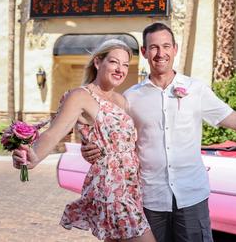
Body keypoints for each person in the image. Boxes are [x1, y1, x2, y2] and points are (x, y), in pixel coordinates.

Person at [82, 23, 236, 242]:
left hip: (191, 197)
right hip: (149, 198)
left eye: (165, 46)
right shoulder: (131, 97)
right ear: (144, 51)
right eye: (153, 47)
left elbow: (234, 119)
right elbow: (116, 139)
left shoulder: (196, 89)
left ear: (175, 49)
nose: (160, 53)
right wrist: (91, 149)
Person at [11, 39, 156, 242]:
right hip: (110, 185)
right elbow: (54, 132)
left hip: (130, 184)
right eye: (114, 62)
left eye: (125, 65)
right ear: (98, 62)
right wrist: (33, 157)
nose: (120, 69)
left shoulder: (122, 100)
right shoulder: (81, 96)